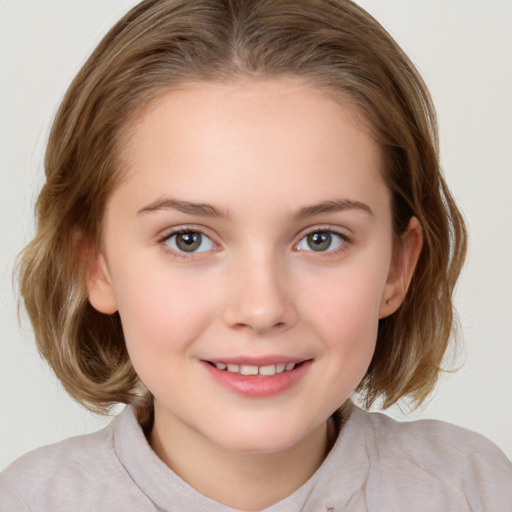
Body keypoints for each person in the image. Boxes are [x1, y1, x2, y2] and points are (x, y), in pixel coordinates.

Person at [1, 0, 511, 510]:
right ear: (97, 265)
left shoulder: (474, 489)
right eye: (188, 239)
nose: (262, 309)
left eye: (321, 238)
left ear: (398, 267)